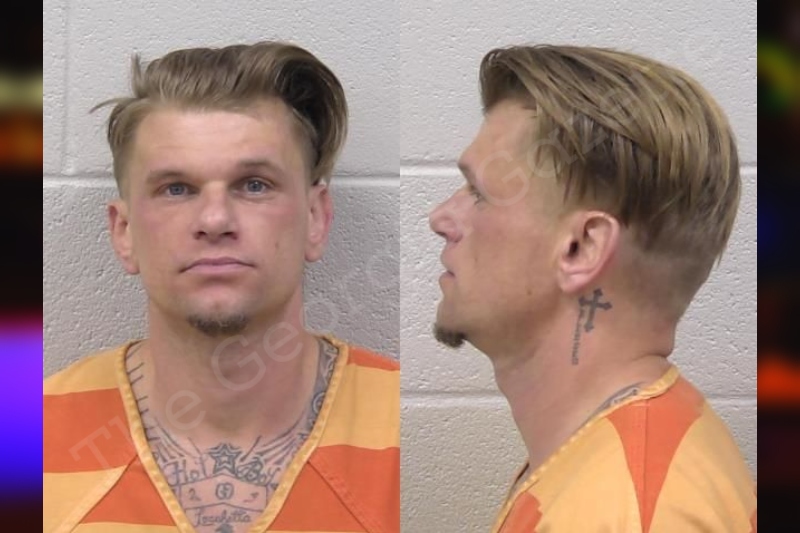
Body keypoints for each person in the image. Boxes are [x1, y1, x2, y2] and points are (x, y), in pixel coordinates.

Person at [44, 42, 399, 533]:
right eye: (176, 189)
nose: (214, 220)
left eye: (254, 185)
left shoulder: (402, 425)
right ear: (124, 234)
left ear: (316, 218)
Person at [429, 45, 756, 532]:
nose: (440, 219)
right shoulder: (623, 460)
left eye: (478, 193)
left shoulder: (631, 512)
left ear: (581, 248)